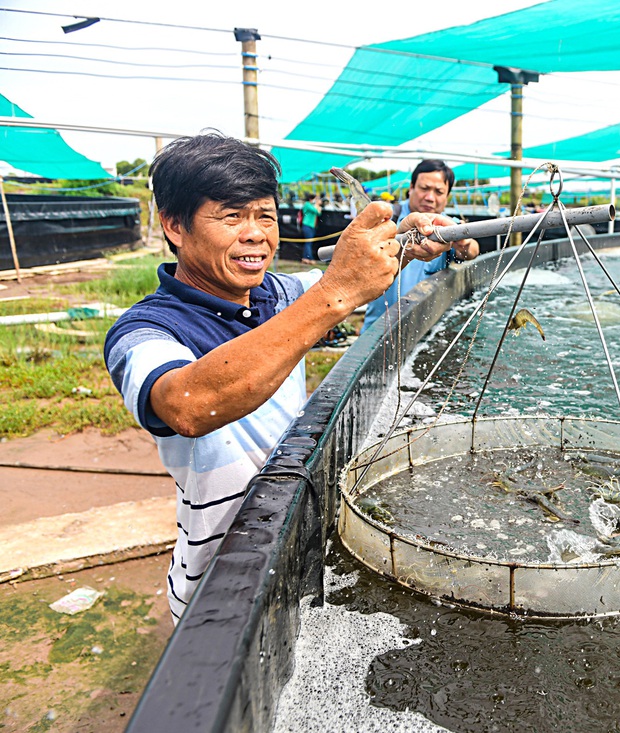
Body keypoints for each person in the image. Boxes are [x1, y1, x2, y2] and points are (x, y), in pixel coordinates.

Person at [103, 133, 468, 624]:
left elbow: (352, 276)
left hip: (290, 545)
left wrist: (403, 242)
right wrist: (336, 292)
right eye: (231, 217)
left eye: (265, 216)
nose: (255, 234)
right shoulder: (143, 330)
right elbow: (188, 405)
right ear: (174, 226)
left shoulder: (278, 291)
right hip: (217, 580)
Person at [361, 159, 479, 332]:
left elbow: (473, 250)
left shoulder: (447, 226)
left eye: (438, 192)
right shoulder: (385, 219)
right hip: (379, 332)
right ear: (411, 188)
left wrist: (463, 242)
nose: (429, 197)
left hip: (422, 334)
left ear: (447, 197)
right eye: (424, 188)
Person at [300, 193, 321, 263]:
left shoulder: (312, 205)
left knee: (308, 243)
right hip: (307, 225)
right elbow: (316, 211)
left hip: (312, 226)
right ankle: (309, 258)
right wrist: (317, 204)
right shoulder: (307, 204)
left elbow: (319, 213)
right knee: (308, 242)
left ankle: (305, 258)